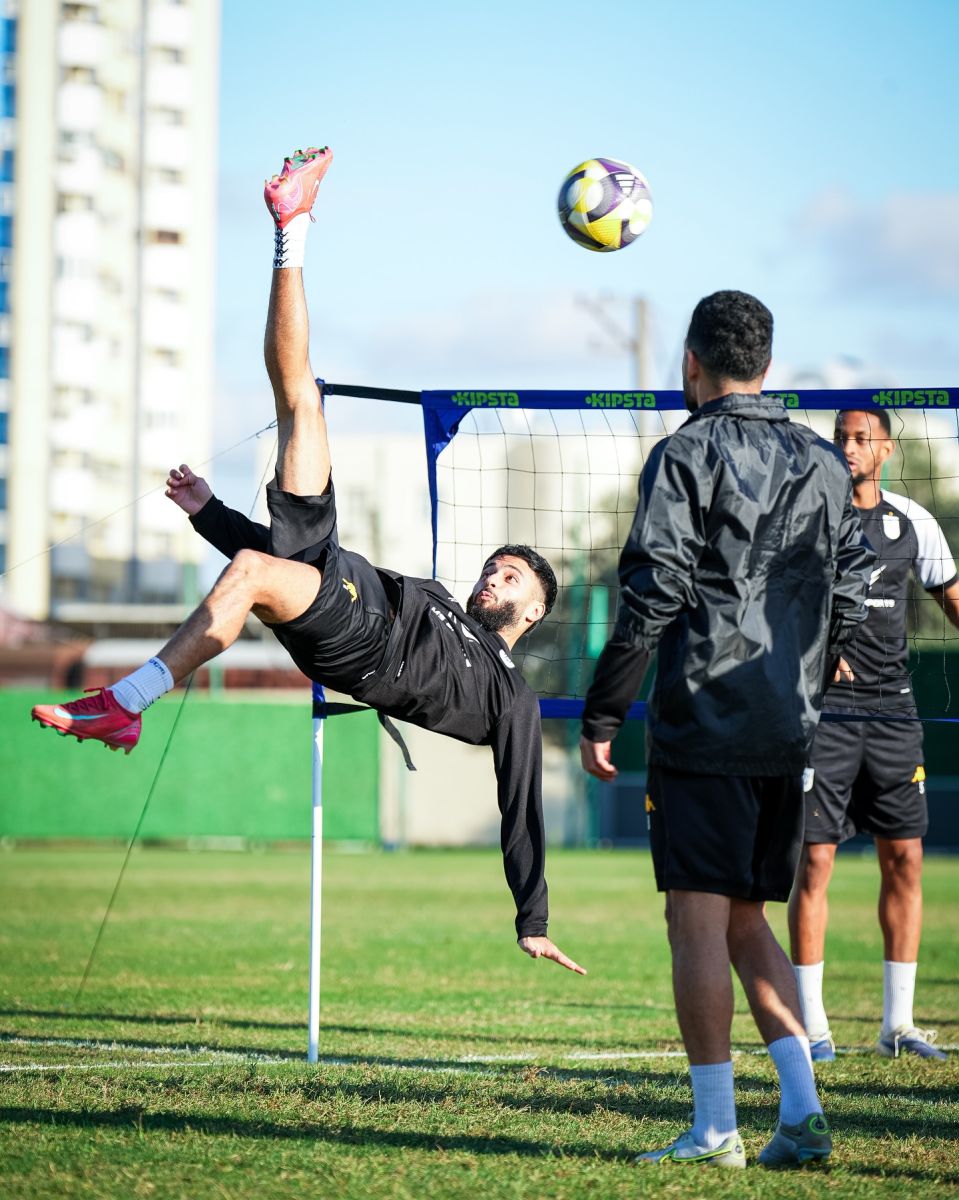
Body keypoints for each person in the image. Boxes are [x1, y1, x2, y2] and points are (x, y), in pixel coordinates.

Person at [32, 146, 584, 978]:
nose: (491, 577)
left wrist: (530, 915)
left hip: (362, 642)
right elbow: (284, 563)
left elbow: (521, 805)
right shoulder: (439, 593)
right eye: (494, 567)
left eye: (511, 578)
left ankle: (127, 702)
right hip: (335, 572)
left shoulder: (508, 693)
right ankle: (292, 227)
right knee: (300, 397)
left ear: (533, 610)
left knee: (255, 578)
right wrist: (209, 514)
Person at [579, 291, 875, 1169]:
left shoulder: (686, 452)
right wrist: (811, 682)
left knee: (697, 921)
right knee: (747, 918)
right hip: (788, 728)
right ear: (768, 366)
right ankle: (801, 1112)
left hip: (705, 723)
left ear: (690, 363)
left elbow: (655, 590)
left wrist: (604, 710)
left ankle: (713, 1131)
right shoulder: (825, 461)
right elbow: (854, 591)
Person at [788, 408, 959, 1063]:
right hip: (823, 716)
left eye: (861, 439)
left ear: (885, 448)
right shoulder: (806, 520)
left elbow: (949, 594)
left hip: (892, 716)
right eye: (841, 438)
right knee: (815, 864)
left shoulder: (911, 521)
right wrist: (814, 652)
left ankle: (898, 1026)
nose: (849, 448)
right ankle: (812, 1028)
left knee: (906, 860)